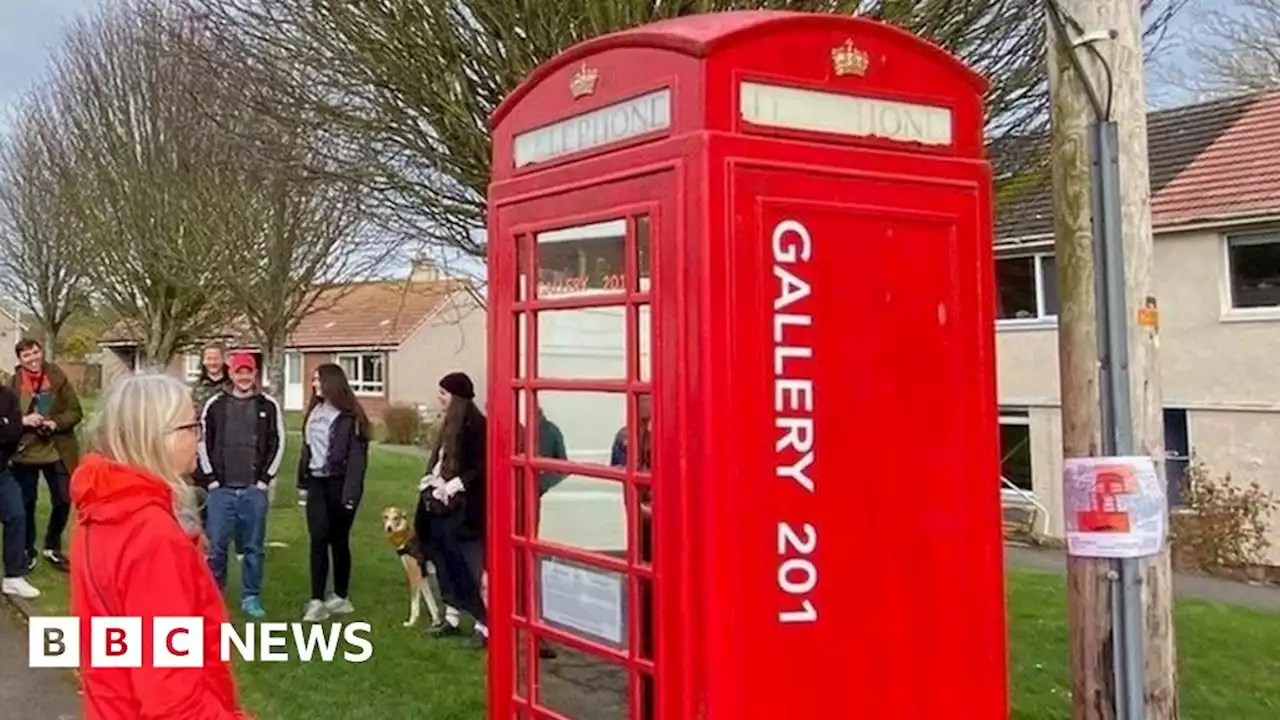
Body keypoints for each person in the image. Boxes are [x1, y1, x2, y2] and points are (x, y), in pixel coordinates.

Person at [69, 372, 249, 719]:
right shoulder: (151, 536)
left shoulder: (101, 511)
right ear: (157, 437)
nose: (200, 437)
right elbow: (173, 698)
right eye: (191, 426)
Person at [198, 352, 284, 618]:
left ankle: (251, 597)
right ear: (231, 374)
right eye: (239, 372)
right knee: (217, 547)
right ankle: (214, 597)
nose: (244, 377)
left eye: (249, 372)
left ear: (255, 374)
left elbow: (278, 442)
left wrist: (264, 480)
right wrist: (211, 479)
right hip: (220, 490)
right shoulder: (215, 404)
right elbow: (202, 440)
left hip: (253, 490)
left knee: (253, 548)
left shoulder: (268, 405)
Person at [414, 371, 488, 648]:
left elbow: (480, 467)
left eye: (443, 393)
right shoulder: (450, 424)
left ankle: (484, 624)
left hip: (465, 511)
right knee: (444, 562)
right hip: (440, 508)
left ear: (456, 397)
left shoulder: (477, 427)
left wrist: (453, 485)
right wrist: (431, 480)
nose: (439, 398)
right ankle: (452, 616)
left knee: (469, 568)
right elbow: (441, 460)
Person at [297, 363, 370, 622]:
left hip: (340, 485)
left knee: (339, 540)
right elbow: (306, 450)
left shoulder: (352, 418)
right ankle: (316, 600)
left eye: (318, 380)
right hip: (317, 483)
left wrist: (351, 495)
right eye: (313, 379)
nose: (314, 384)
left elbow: (357, 460)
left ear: (331, 382)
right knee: (318, 538)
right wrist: (302, 484)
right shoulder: (314, 412)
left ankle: (340, 596)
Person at [10, 338, 82, 573]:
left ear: (41, 352)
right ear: (20, 360)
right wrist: (24, 421)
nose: (33, 359)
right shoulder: (12, 384)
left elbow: (75, 411)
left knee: (63, 500)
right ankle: (28, 550)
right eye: (26, 355)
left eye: (35, 352)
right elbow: (5, 420)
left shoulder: (57, 376)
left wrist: (54, 423)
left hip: (57, 449)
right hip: (25, 453)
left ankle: (52, 546)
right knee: (26, 504)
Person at [0, 379, 37, 598]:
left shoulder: (8, 397)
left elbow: (13, 433)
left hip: (2, 472)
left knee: (17, 515)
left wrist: (4, 427)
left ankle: (13, 577)